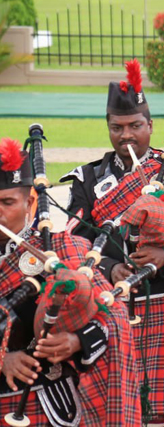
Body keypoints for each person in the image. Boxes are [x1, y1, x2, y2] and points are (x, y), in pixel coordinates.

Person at [61, 60, 164, 426]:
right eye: (117, 128)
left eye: (135, 126)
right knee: (117, 407)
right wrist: (107, 267)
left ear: (150, 126)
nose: (126, 136)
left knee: (158, 412)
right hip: (109, 308)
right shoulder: (88, 179)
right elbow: (72, 245)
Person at [0, 137, 140, 426]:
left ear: (30, 202)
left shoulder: (63, 249)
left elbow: (113, 316)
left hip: (48, 404)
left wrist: (77, 340)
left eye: (6, 202)